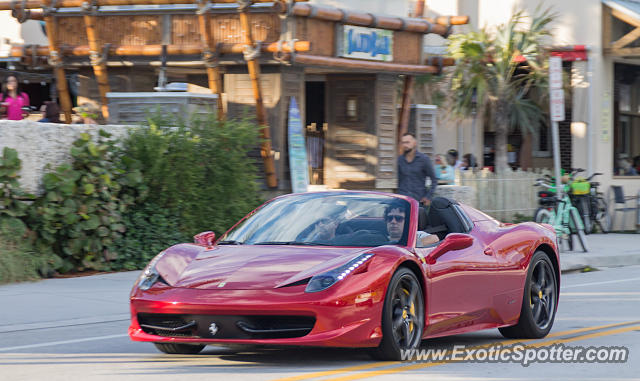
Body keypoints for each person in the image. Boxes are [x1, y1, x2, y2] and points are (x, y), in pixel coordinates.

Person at [397, 133, 438, 205]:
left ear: (414, 143)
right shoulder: (400, 160)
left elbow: (434, 180)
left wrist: (428, 197)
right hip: (403, 201)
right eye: (403, 142)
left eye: (407, 142)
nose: (405, 145)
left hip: (419, 201)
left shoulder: (424, 159)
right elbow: (399, 180)